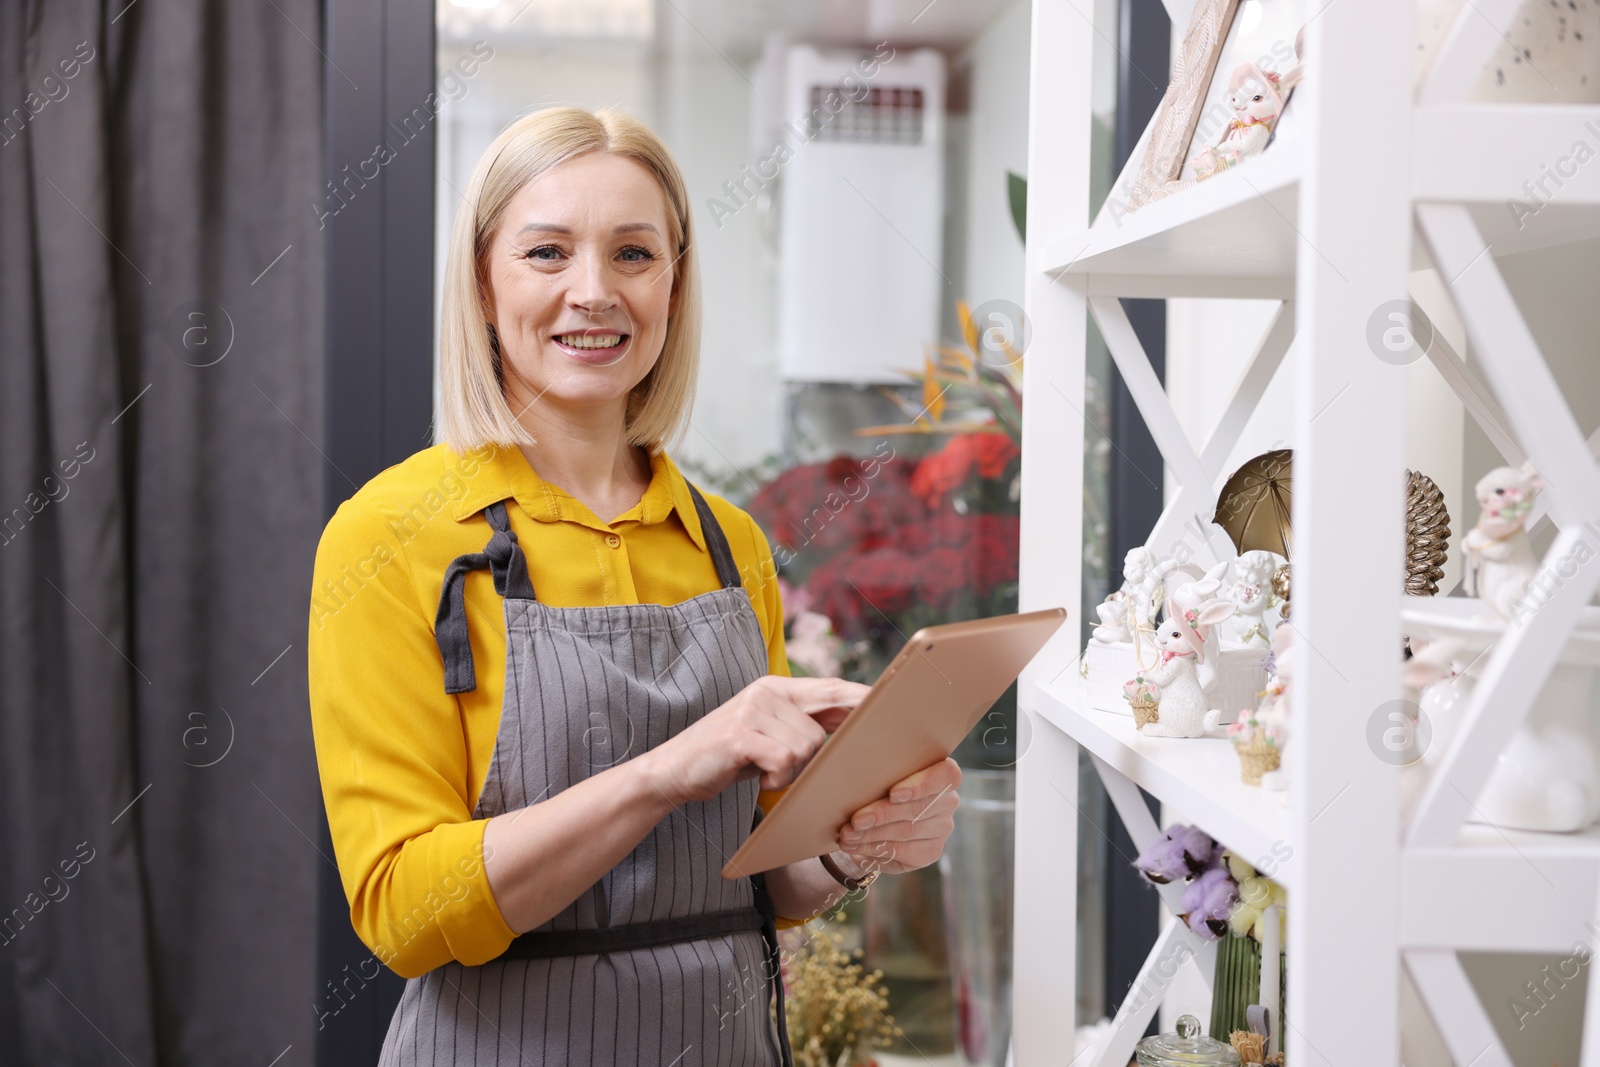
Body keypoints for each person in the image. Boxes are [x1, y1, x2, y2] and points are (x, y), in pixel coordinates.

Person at [307, 106, 962, 1067]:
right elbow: (405, 913)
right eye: (546, 252)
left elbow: (756, 884)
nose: (593, 291)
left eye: (632, 254)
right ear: (485, 285)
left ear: (674, 282)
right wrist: (665, 770)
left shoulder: (726, 543)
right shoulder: (389, 537)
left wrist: (855, 840)